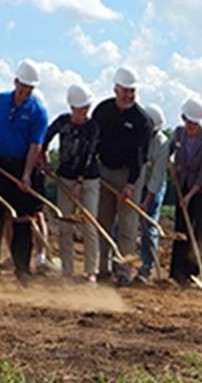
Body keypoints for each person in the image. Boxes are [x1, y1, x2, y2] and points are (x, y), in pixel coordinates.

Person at [0, 59, 48, 282]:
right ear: (15, 82)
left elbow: (35, 146)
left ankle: (22, 270)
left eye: (30, 87)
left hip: (21, 167)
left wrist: (26, 175)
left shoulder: (38, 112)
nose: (25, 91)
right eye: (23, 85)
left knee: (22, 221)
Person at [92, 67, 152, 286]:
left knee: (127, 225)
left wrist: (130, 184)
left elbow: (140, 157)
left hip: (129, 173)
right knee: (103, 221)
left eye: (132, 91)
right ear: (115, 89)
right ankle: (102, 268)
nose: (128, 95)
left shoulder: (142, 121)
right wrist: (93, 170)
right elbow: (93, 143)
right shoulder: (102, 111)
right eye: (125, 90)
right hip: (104, 171)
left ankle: (124, 272)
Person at [42, 83, 100, 284]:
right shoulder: (62, 122)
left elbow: (89, 155)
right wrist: (46, 159)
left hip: (89, 179)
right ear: (72, 107)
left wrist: (79, 183)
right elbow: (45, 140)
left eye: (86, 108)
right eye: (80, 109)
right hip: (64, 178)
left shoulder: (93, 127)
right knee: (65, 223)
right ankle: (67, 269)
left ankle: (91, 270)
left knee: (89, 224)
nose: (84, 113)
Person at [168, 97, 202, 286]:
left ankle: (201, 271)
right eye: (189, 122)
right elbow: (169, 151)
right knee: (181, 229)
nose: (192, 126)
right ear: (183, 119)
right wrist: (170, 164)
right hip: (184, 184)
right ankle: (178, 273)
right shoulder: (179, 133)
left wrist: (190, 196)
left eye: (195, 123)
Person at [133, 103, 169, 282]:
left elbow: (156, 178)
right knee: (122, 224)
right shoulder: (135, 137)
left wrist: (146, 201)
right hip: (135, 184)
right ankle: (118, 264)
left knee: (149, 223)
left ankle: (147, 267)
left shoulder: (163, 144)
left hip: (154, 187)